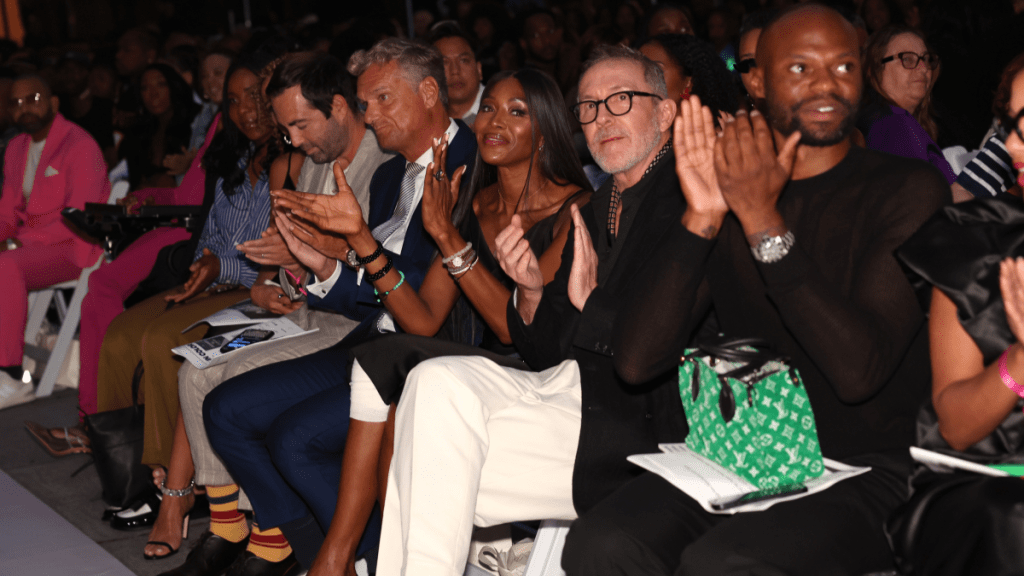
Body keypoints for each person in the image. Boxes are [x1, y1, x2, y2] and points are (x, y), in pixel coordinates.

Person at [560, 6, 949, 575]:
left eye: (843, 65)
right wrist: (702, 216)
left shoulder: (905, 189)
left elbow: (858, 372)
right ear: (759, 82)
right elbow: (638, 361)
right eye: (800, 67)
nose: (825, 84)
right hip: (752, 455)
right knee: (602, 542)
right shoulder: (728, 191)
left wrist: (764, 224)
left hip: (873, 467)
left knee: (726, 564)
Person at [371, 43, 684, 576]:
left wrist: (590, 307)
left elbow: (653, 349)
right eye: (588, 106)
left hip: (643, 418)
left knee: (423, 430)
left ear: (666, 112)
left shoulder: (683, 198)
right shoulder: (607, 201)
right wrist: (534, 291)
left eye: (621, 100)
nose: (601, 117)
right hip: (567, 386)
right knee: (430, 383)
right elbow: (545, 345)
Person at [283, 67, 591, 576]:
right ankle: (367, 559)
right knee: (392, 376)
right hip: (478, 365)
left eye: (517, 113)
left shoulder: (573, 208)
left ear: (547, 128)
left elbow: (522, 331)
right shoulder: (475, 200)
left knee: (391, 368)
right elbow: (423, 321)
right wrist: (361, 240)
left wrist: (448, 238)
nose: (494, 122)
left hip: (539, 368)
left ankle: (342, 558)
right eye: (488, 108)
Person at [198, 37, 475, 575]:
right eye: (366, 103)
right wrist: (323, 263)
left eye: (381, 100)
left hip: (428, 351)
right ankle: (328, 556)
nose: (369, 117)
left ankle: (361, 558)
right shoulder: (395, 172)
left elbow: (421, 290)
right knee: (225, 412)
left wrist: (340, 250)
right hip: (375, 336)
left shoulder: (471, 164)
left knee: (295, 440)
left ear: (428, 91)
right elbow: (371, 277)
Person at [160, 50, 393, 576]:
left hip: (349, 322)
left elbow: (379, 275)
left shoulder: (383, 164)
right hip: (302, 307)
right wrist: (268, 282)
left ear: (337, 106)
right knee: (196, 371)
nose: (292, 139)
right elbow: (282, 251)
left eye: (298, 125)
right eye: (285, 129)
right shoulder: (310, 158)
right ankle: (229, 526)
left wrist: (307, 260)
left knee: (236, 384)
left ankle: (275, 540)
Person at [93, 50, 302, 560]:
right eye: (233, 101)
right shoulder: (230, 157)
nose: (246, 110)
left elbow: (276, 256)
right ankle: (129, 478)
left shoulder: (293, 161)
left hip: (251, 286)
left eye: (254, 97)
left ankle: (176, 490)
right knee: (121, 335)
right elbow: (212, 230)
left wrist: (219, 269)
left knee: (169, 342)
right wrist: (205, 260)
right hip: (214, 279)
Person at [891, 54, 1024, 576]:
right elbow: (957, 426)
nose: (1012, 146)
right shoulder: (974, 239)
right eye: (1009, 124)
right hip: (989, 484)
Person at [0, 74, 109, 409]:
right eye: (16, 103)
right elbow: (8, 210)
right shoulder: (17, 148)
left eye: (33, 98)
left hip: (75, 247)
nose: (24, 109)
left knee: (5, 266)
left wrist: (18, 244)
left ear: (54, 103)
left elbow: (80, 216)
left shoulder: (79, 144)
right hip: (31, 247)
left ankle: (10, 373)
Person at [858, 25, 955, 183]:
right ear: (874, 68)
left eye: (926, 59)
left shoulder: (881, 120)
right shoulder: (892, 124)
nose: (924, 68)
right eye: (907, 59)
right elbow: (918, 198)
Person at [118, 63, 200, 189]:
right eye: (145, 87)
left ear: (174, 86)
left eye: (161, 84)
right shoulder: (137, 132)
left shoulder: (196, 123)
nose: (153, 94)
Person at [638, 33, 739, 121]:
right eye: (636, 71)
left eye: (655, 71)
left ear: (688, 82)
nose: (641, 79)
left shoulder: (713, 139)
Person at [431, 23, 484, 125]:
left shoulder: (500, 112)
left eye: (463, 60)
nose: (455, 71)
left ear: (479, 69)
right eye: (444, 63)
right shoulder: (424, 120)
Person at [518, 8, 580, 95]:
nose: (546, 40)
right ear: (523, 42)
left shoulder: (567, 65)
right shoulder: (526, 82)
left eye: (550, 31)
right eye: (536, 35)